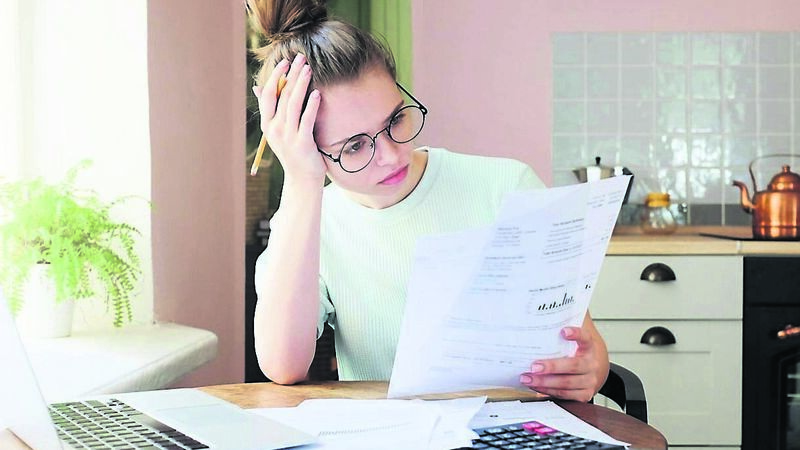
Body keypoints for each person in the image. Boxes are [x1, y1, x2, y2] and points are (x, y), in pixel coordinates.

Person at [249, 0, 609, 402]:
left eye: (395, 120)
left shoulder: (507, 186)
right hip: (390, 430)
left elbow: (584, 344)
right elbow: (283, 366)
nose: (391, 155)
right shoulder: (307, 223)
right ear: (308, 150)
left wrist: (590, 368)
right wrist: (301, 180)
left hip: (512, 423)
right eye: (354, 146)